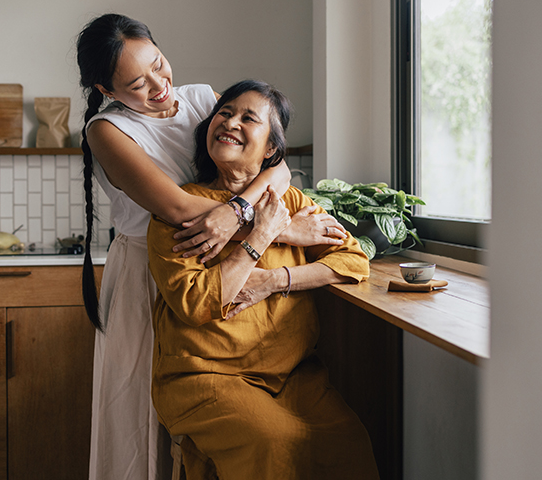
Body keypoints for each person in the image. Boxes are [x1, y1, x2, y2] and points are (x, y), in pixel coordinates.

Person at [76, 14, 348, 480]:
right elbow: (181, 210)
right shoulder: (106, 130)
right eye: (137, 84)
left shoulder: (203, 98)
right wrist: (277, 230)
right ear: (106, 90)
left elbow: (275, 163)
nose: (160, 86)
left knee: (230, 433)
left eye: (159, 65)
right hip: (152, 273)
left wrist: (237, 211)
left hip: (224, 263)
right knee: (141, 422)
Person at [147, 80, 380, 480]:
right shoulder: (179, 209)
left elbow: (353, 260)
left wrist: (275, 280)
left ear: (270, 148)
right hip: (203, 376)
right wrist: (259, 237)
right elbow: (195, 302)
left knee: (349, 440)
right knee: (274, 442)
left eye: (248, 117)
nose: (230, 122)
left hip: (292, 376)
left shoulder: (290, 202)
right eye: (225, 112)